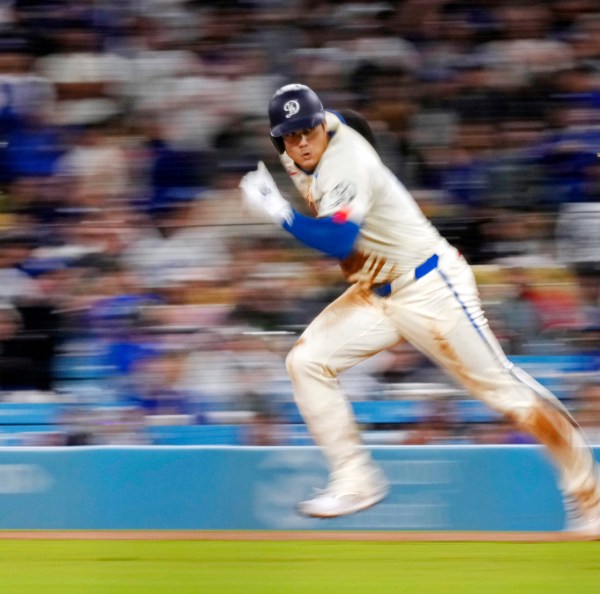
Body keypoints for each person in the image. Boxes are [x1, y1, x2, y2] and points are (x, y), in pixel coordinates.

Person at [239, 83, 600, 534]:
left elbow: (337, 240)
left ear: (320, 126)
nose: (304, 140)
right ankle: (355, 481)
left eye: (309, 129)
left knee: (505, 394)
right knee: (306, 361)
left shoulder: (345, 160)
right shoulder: (320, 136)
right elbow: (351, 118)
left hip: (430, 286)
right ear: (280, 139)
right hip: (375, 292)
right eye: (292, 135)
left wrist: (279, 211)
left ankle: (592, 500)